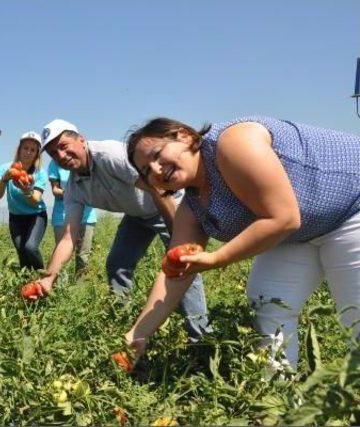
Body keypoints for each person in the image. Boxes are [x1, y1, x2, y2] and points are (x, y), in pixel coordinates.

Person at [124, 116, 360, 369]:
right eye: (147, 171)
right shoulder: (192, 208)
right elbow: (175, 273)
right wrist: (139, 333)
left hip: (351, 209)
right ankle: (279, 400)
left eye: (157, 154)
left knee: (355, 316)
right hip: (300, 234)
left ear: (184, 135)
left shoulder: (234, 142)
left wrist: (216, 258)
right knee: (268, 305)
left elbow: (283, 218)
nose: (157, 169)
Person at [29, 119, 211, 342]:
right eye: (54, 153)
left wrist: (179, 236)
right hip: (136, 215)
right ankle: (124, 324)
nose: (61, 155)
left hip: (168, 205)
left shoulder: (110, 156)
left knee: (182, 266)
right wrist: (49, 278)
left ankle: (200, 337)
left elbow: (158, 189)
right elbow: (68, 238)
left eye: (64, 146)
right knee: (117, 264)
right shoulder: (74, 188)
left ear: (81, 139)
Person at [0, 132, 49, 270]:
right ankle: (27, 282)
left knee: (30, 247)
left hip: (36, 215)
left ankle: (42, 278)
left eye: (33, 150)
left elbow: (35, 200)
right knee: (21, 250)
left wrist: (26, 191)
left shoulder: (39, 173)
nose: (28, 152)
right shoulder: (5, 169)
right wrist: (5, 179)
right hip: (16, 217)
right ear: (19, 149)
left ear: (37, 154)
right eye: (26, 148)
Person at [48, 158, 97, 277]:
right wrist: (72, 193)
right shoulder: (55, 162)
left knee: (83, 255)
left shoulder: (89, 161)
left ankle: (79, 291)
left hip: (87, 216)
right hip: (62, 216)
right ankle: (61, 289)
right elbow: (55, 190)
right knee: (62, 256)